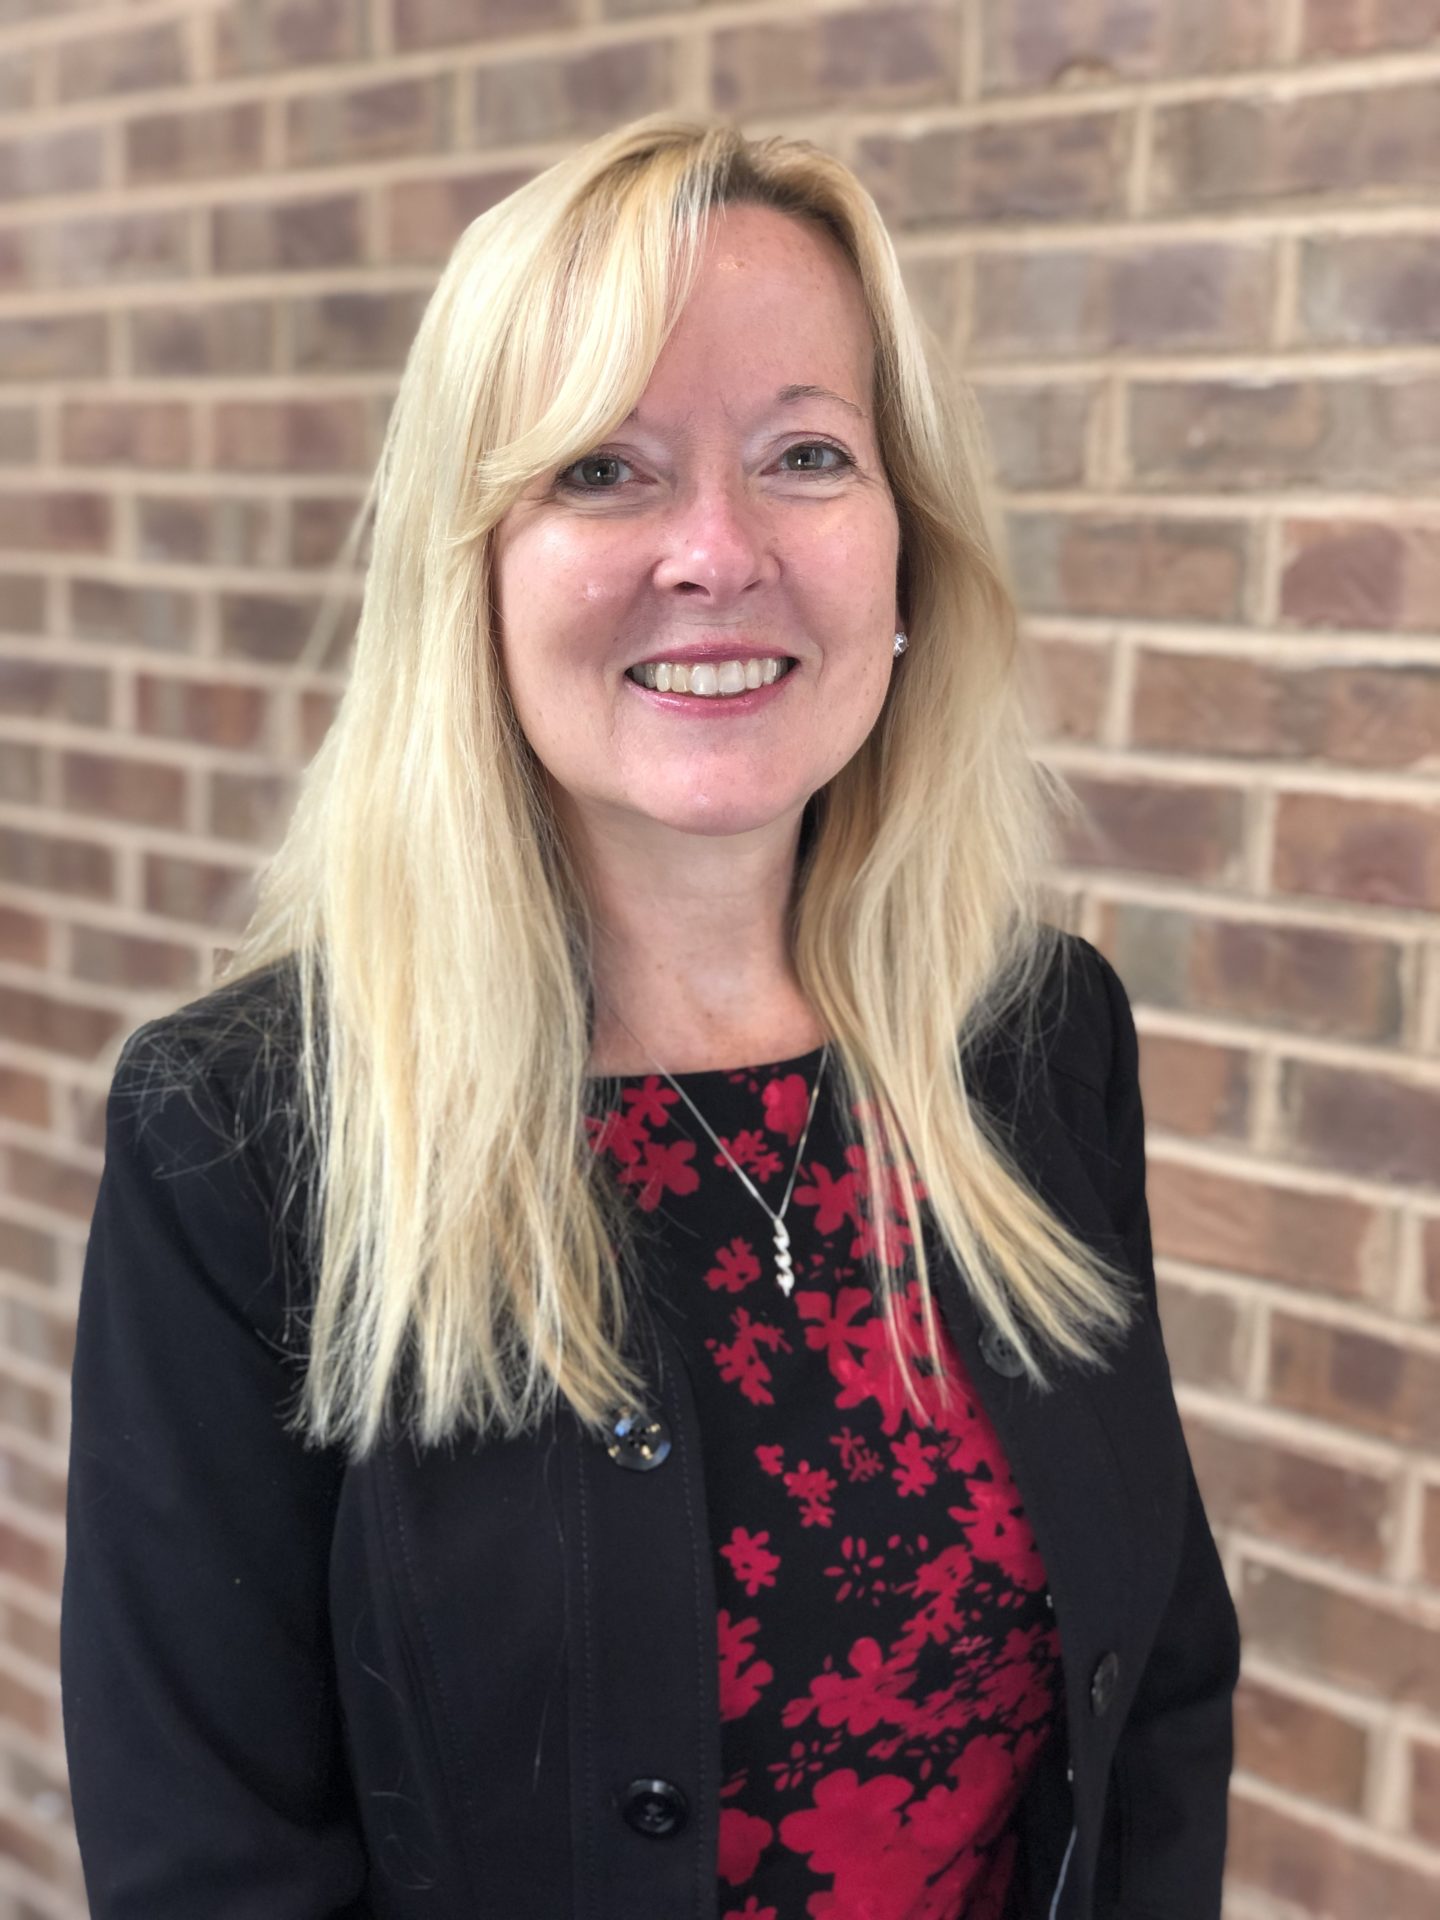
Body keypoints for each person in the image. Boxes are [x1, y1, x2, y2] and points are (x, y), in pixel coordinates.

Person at [60, 112, 1240, 1920]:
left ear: (905, 549)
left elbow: (1154, 1703)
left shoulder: (1031, 1046)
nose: (717, 549)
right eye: (603, 471)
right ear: (472, 574)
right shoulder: (249, 1137)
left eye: (806, 455)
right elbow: (211, 1869)